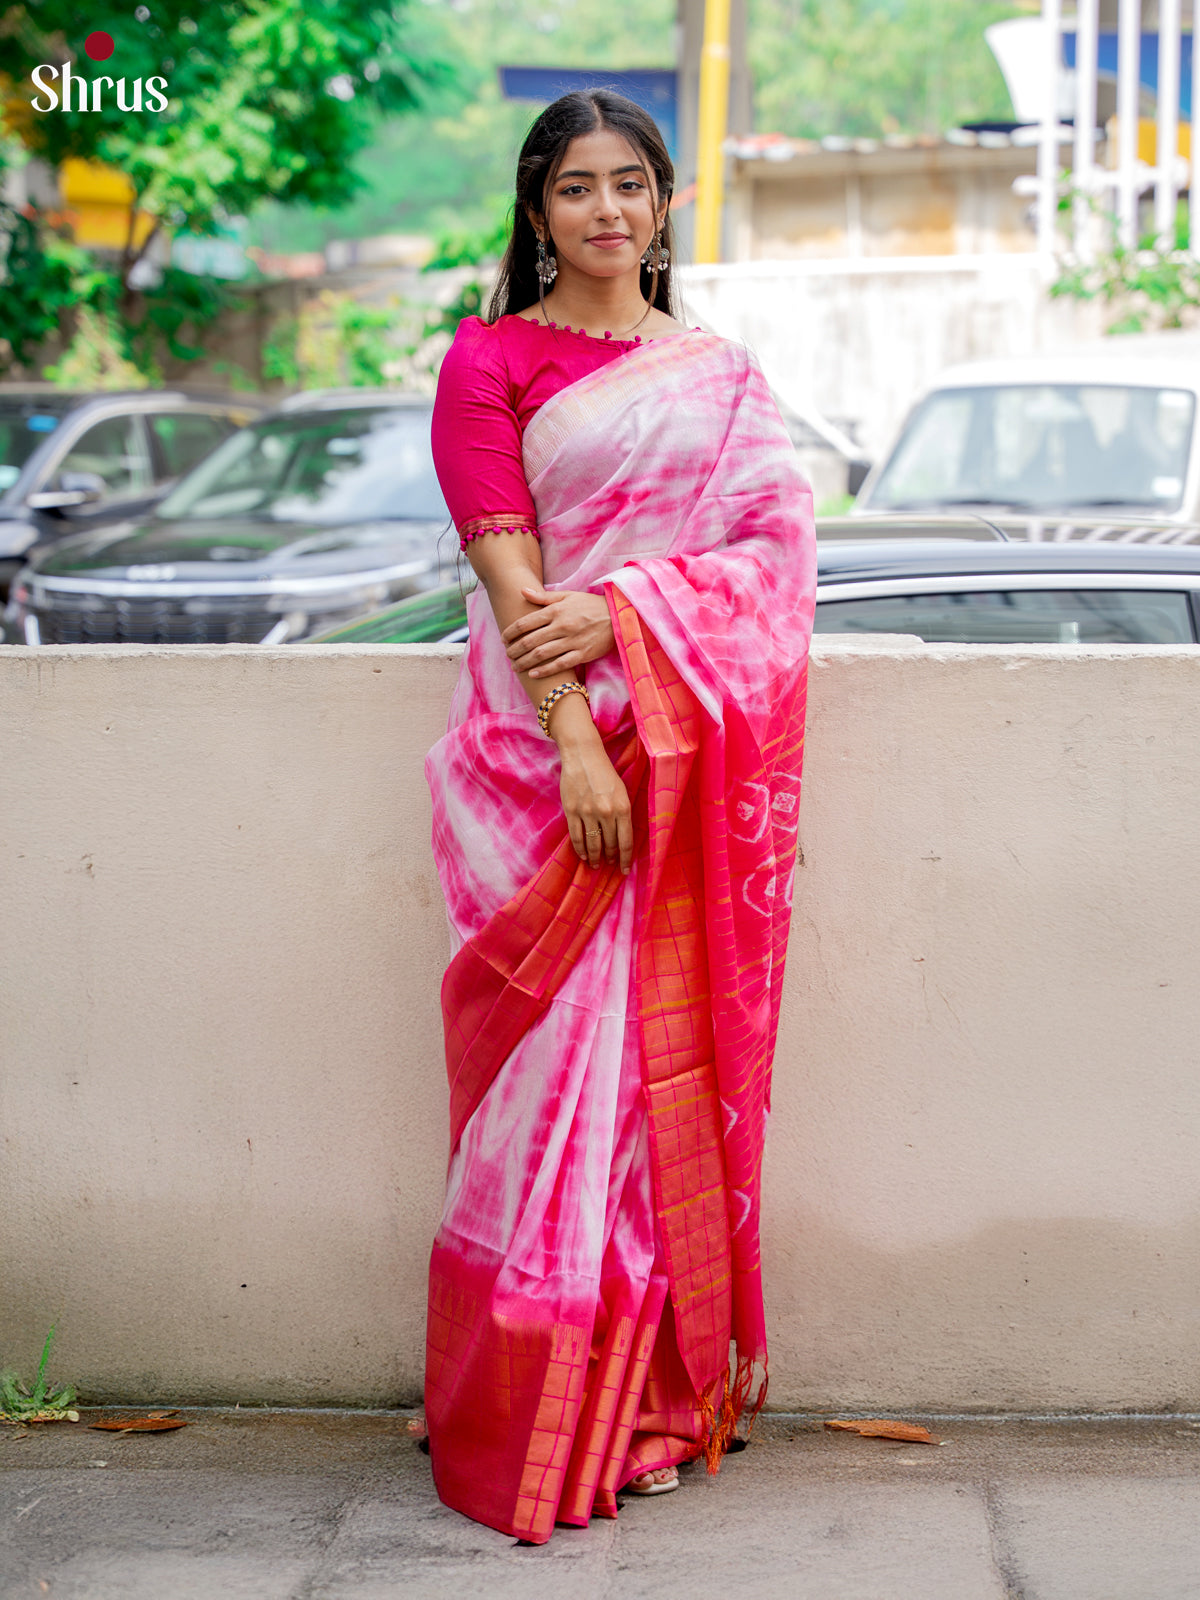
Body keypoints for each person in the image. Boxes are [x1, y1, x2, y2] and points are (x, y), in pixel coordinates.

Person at [424, 88, 817, 1545]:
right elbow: (513, 584)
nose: (607, 209)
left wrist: (630, 614)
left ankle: (642, 1401)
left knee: (653, 1095)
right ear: (538, 211)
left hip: (676, 762)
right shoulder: (488, 359)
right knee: (539, 1097)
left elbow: (775, 560)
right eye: (577, 186)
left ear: (662, 207)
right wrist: (579, 748)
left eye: (630, 184)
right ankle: (519, 1399)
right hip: (535, 771)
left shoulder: (721, 379)